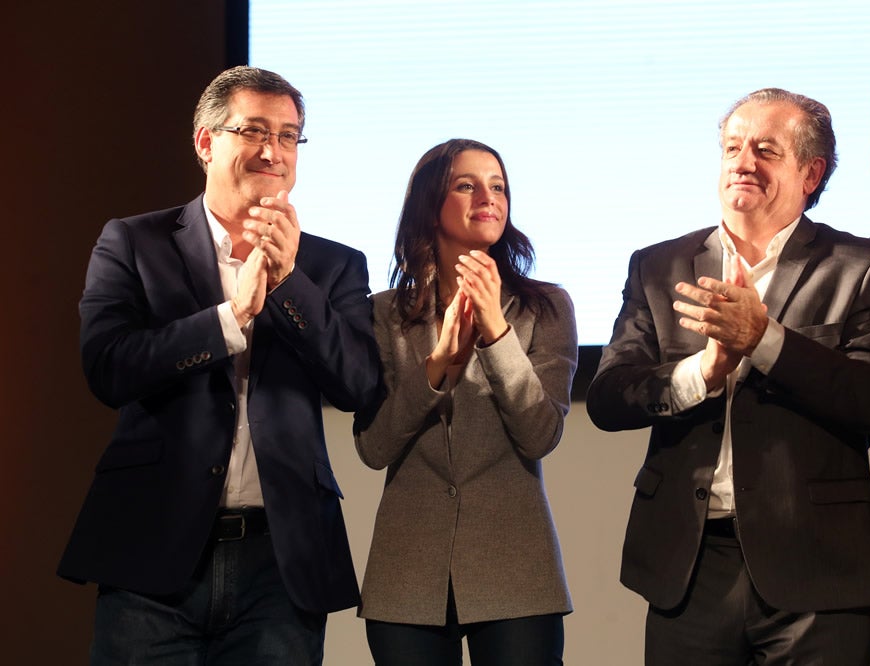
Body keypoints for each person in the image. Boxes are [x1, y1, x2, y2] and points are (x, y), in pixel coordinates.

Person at [58, 66, 381, 665]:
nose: (273, 151)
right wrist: (231, 318)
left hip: (280, 563)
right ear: (206, 142)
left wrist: (289, 284)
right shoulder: (134, 242)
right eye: (254, 131)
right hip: (152, 555)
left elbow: (359, 383)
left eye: (289, 136)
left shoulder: (334, 265)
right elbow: (107, 367)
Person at [587, 88, 870, 664]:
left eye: (765, 149)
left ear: (811, 173)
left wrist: (766, 340)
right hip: (690, 562)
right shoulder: (657, 266)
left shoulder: (861, 267)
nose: (743, 162)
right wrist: (701, 372)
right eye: (732, 147)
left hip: (819, 567)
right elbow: (609, 399)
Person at [354, 138, 576, 666]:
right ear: (431, 204)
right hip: (406, 572)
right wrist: (436, 367)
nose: (488, 197)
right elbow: (373, 447)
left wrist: (497, 334)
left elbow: (540, 434)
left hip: (516, 569)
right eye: (466, 185)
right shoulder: (382, 314)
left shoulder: (546, 307)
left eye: (498, 186)